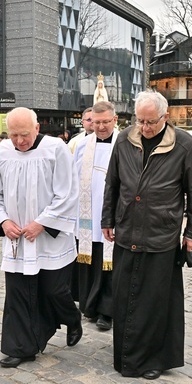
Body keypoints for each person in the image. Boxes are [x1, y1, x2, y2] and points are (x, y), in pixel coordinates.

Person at [101, 91, 192, 380]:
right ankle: (126, 357)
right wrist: (107, 219)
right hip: (127, 229)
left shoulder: (183, 144)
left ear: (165, 117)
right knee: (124, 295)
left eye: (151, 122)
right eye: (140, 121)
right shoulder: (124, 139)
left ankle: (152, 360)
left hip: (161, 232)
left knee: (154, 300)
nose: (145, 128)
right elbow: (113, 182)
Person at [0, 107, 82, 368]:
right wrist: (3, 220)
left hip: (49, 238)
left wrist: (42, 223)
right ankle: (21, 347)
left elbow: (67, 193)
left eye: (24, 134)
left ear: (37, 128)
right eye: (13, 135)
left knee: (54, 290)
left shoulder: (56, 149)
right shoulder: (2, 152)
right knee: (18, 293)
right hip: (17, 239)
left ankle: (72, 317)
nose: (19, 141)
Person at [74, 101, 117, 331]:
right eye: (96, 122)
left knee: (108, 264)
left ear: (115, 120)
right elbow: (73, 176)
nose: (100, 127)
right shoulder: (82, 145)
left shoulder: (125, 144)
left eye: (105, 122)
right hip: (88, 213)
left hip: (113, 213)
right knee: (90, 260)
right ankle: (88, 306)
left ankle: (107, 311)